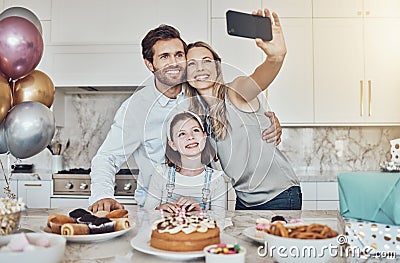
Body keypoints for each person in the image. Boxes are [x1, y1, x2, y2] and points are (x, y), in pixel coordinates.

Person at [88, 23, 282, 213]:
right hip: (156, 209)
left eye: (179, 55)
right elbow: (107, 157)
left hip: (204, 208)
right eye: (164, 56)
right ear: (150, 64)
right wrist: (102, 195)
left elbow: (238, 104)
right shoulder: (136, 108)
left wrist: (265, 121)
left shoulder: (200, 95)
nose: (173, 62)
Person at [185, 9, 301, 210]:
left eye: (206, 61)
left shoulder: (235, 91)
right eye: (192, 64)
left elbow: (258, 79)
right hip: (244, 200)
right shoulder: (200, 116)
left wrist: (276, 57)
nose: (200, 69)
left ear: (217, 68)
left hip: (279, 196)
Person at [144, 111, 226, 212]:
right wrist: (159, 209)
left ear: (204, 137)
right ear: (172, 144)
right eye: (182, 134)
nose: (190, 137)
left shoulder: (216, 179)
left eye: (195, 130)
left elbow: (220, 221)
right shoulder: (161, 172)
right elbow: (147, 214)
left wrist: (199, 210)